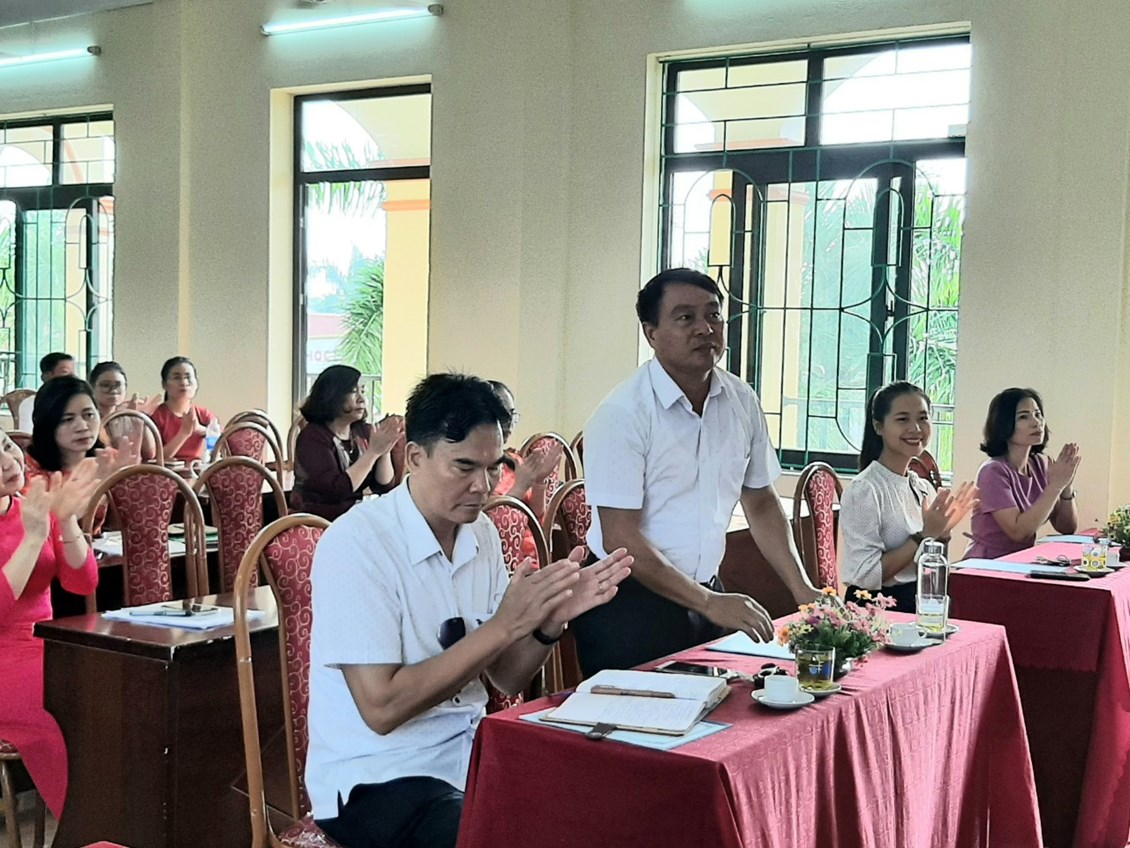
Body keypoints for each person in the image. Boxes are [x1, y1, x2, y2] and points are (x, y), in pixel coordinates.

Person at [306, 373, 632, 848]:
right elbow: (381, 708)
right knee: (505, 836)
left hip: (471, 756)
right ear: (415, 457)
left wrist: (549, 620)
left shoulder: (480, 534)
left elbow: (506, 678)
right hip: (377, 778)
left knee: (608, 800)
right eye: (464, 467)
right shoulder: (358, 543)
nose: (482, 486)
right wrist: (504, 625)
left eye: (493, 467)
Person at [572, 268, 818, 678]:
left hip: (705, 593)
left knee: (720, 712)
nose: (705, 328)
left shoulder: (740, 400)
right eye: (685, 317)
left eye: (713, 315)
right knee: (642, 719)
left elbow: (760, 502)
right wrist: (708, 602)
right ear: (651, 333)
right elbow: (620, 537)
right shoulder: (622, 414)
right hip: (628, 602)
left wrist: (802, 588)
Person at [0, 441, 101, 819]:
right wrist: (32, 538)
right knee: (61, 709)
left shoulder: (32, 507)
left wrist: (67, 519)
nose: (8, 462)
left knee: (120, 692)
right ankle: (88, 827)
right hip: (6, 662)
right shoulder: (33, 520)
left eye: (6, 447)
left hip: (47, 647)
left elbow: (83, 582)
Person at [839, 382, 978, 612]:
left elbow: (928, 565)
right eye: (902, 419)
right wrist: (924, 535)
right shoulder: (864, 489)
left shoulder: (921, 486)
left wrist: (942, 534)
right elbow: (866, 576)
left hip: (919, 599)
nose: (915, 428)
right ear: (879, 426)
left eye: (923, 418)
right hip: (876, 609)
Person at [965, 387, 1080, 560]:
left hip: (1021, 560)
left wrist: (1066, 486)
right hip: (988, 563)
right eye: (1023, 417)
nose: (1036, 422)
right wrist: (1055, 486)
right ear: (1004, 424)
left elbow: (1066, 528)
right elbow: (1018, 533)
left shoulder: (1041, 463)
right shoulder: (992, 472)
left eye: (1038, 414)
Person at [25, 376, 140, 535]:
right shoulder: (31, 473)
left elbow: (128, 525)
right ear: (47, 424)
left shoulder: (108, 460)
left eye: (89, 415)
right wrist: (98, 486)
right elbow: (44, 534)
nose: (82, 426)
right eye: (67, 419)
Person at [291, 365, 404, 521]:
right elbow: (337, 491)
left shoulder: (362, 432)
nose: (362, 399)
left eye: (363, 391)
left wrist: (384, 451)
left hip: (352, 518)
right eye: (354, 391)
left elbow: (384, 487)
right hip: (316, 523)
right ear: (333, 395)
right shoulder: (312, 437)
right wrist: (372, 453)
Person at [487, 380, 562, 565]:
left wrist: (539, 482)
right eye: (502, 415)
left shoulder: (514, 461)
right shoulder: (478, 468)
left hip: (532, 556)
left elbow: (535, 516)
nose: (509, 424)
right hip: (503, 563)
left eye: (512, 415)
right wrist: (519, 487)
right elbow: (489, 521)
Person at [150, 356, 218, 463]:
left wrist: (200, 429)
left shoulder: (203, 414)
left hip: (200, 470)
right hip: (168, 472)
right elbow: (155, 458)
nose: (184, 382)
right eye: (177, 378)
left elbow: (222, 442)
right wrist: (184, 433)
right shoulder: (157, 416)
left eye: (188, 377)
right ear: (164, 385)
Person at [88, 361, 158, 461]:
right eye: (106, 385)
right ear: (92, 387)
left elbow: (150, 454)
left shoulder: (128, 415)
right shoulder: (89, 419)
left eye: (118, 385)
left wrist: (141, 419)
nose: (113, 390)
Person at [16, 352, 76, 432]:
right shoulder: (30, 404)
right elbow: (28, 436)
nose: (72, 378)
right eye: (65, 372)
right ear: (46, 377)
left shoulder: (77, 402)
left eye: (73, 374)